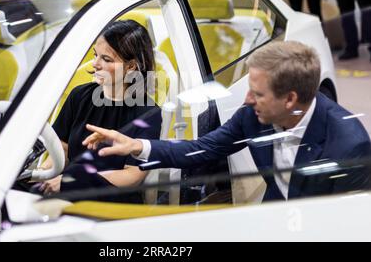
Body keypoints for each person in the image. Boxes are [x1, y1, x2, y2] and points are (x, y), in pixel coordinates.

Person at [83, 41, 371, 202]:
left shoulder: (350, 146)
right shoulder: (253, 115)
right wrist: (136, 145)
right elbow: (202, 148)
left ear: (290, 100)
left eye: (257, 94)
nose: (246, 100)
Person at [39, 19, 162, 201]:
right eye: (95, 55)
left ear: (131, 67)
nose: (95, 64)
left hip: (110, 198)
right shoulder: (79, 96)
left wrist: (73, 181)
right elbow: (62, 151)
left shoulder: (147, 112)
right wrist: (42, 175)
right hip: (67, 191)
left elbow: (132, 176)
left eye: (106, 59)